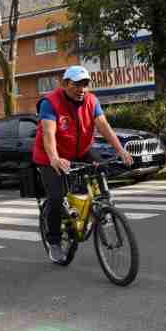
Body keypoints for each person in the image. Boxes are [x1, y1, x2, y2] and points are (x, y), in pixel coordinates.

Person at [33, 65, 133, 264]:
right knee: (55, 196)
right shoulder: (50, 102)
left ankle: (102, 208)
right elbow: (48, 133)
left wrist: (120, 150)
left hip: (81, 150)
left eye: (85, 84)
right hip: (50, 156)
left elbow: (104, 126)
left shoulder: (91, 101)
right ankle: (54, 242)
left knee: (102, 168)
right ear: (65, 84)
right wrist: (54, 158)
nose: (82, 89)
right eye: (77, 85)